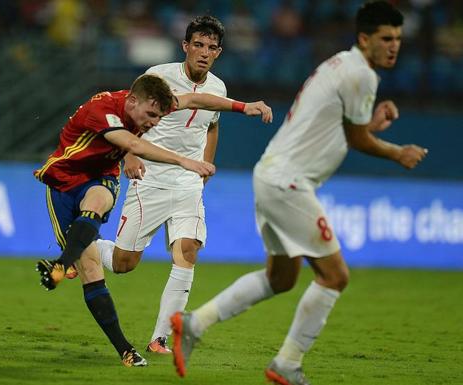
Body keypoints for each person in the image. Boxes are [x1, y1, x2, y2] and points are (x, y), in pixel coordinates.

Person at [170, 2, 428, 384]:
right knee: (335, 276)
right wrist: (397, 152)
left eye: (398, 40)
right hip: (289, 183)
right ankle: (287, 364)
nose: (394, 46)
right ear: (364, 39)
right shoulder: (361, 76)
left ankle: (194, 323)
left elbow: (335, 131)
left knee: (282, 278)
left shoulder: (339, 64)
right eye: (386, 38)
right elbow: (356, 139)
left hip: (271, 176)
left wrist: (370, 124)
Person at [33, 73, 271, 368]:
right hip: (62, 183)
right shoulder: (103, 111)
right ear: (133, 101)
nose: (154, 122)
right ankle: (73, 261)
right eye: (151, 116)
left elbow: (196, 99)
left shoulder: (150, 103)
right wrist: (184, 160)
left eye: (159, 116)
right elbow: (135, 145)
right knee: (95, 271)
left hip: (100, 178)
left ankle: (124, 348)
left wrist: (241, 106)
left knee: (98, 201)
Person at [93, 15, 272, 355]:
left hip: (188, 181)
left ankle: (160, 337)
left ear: (219, 52)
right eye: (199, 45)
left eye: (212, 48)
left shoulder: (218, 88)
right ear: (185, 46)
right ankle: (87, 248)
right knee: (123, 264)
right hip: (150, 177)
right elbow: (127, 116)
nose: (204, 53)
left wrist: (205, 166)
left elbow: (212, 126)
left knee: (187, 250)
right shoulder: (157, 76)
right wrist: (129, 156)